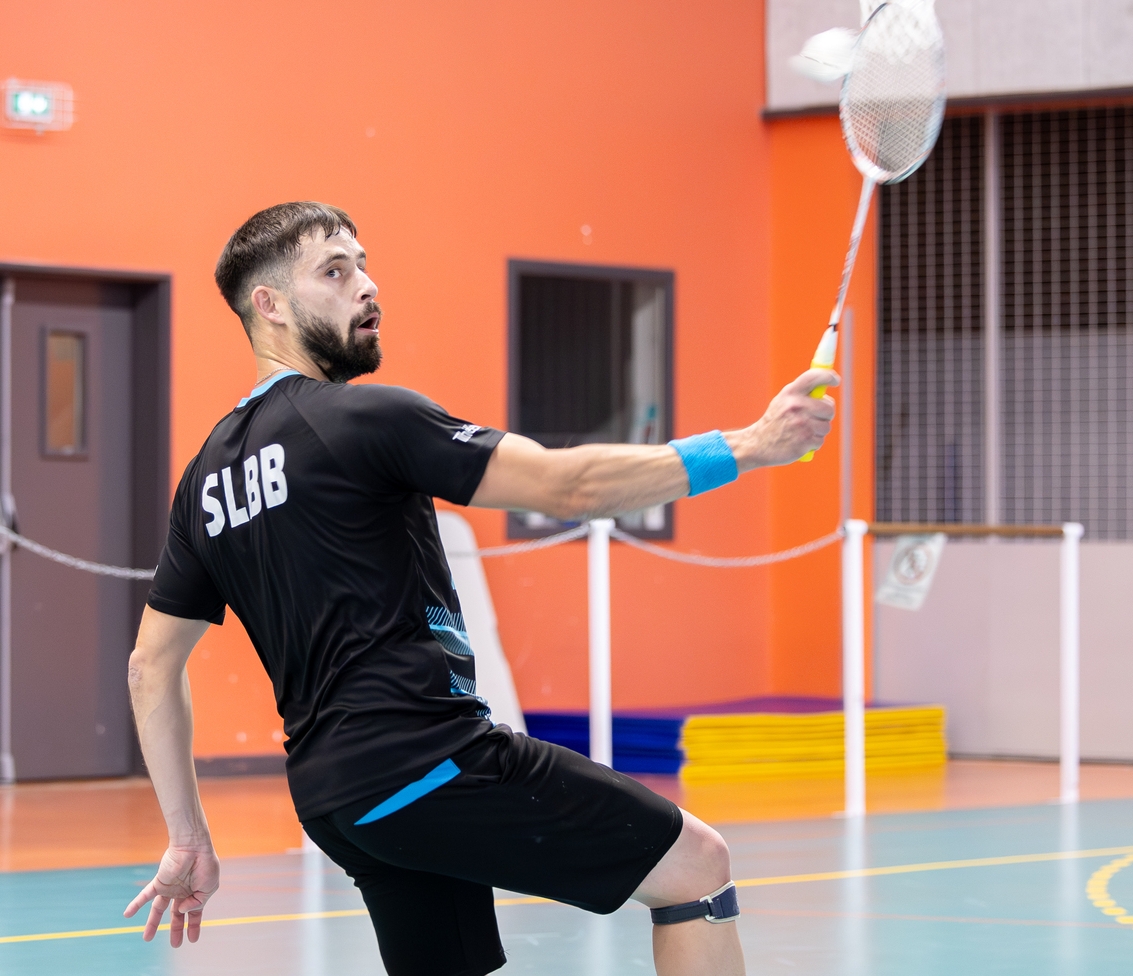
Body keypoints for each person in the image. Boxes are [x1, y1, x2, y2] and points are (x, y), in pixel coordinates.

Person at [123, 202, 837, 976]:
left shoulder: (204, 481)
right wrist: (751, 445)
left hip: (337, 800)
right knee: (696, 866)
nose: (367, 285)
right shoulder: (366, 418)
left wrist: (187, 835)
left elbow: (149, 665)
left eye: (362, 264)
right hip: (432, 762)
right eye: (334, 271)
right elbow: (568, 485)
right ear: (269, 305)